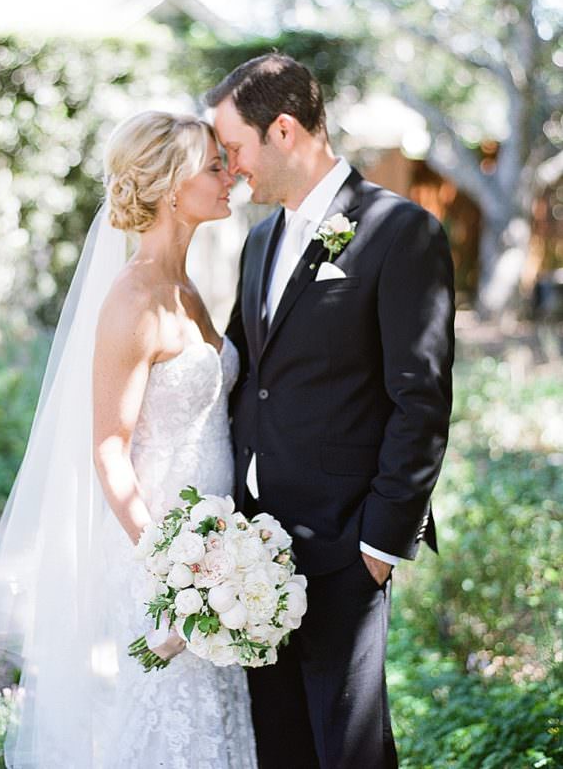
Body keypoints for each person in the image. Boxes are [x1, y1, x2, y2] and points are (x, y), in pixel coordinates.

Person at [0, 111, 257, 768]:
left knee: (217, 720)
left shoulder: (185, 289)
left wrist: (227, 557)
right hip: (161, 551)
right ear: (171, 186)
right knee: (168, 725)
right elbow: (108, 449)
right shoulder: (134, 299)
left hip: (219, 548)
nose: (231, 177)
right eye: (214, 166)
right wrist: (174, 568)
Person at [208, 54, 455, 769]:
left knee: (351, 752)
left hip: (348, 547)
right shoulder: (259, 241)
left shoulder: (400, 231)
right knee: (279, 745)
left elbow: (422, 398)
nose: (230, 167)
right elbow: (249, 376)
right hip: (254, 555)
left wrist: (379, 547)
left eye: (235, 148)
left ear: (283, 131)